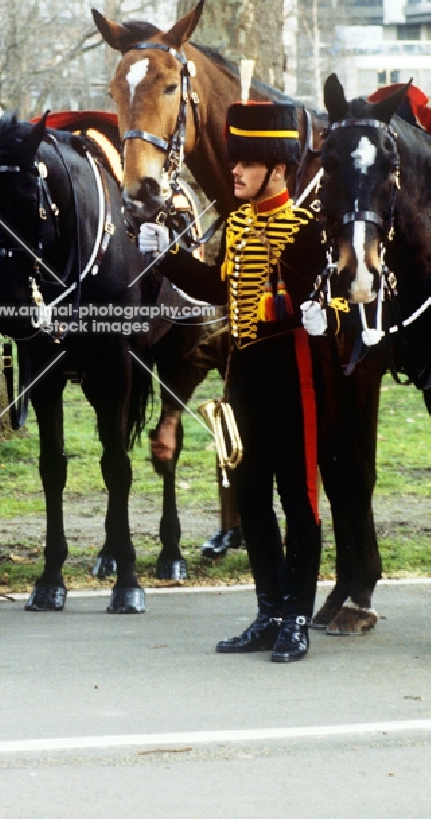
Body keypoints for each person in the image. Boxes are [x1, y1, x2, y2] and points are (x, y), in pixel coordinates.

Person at [139, 100, 324, 662]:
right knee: (249, 495)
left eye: (247, 163)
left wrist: (312, 312)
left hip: (291, 374)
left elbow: (322, 300)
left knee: (297, 498)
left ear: (278, 168)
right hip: (243, 376)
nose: (236, 171)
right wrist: (166, 256)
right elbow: (219, 287)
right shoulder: (238, 224)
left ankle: (298, 617)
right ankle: (268, 612)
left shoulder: (305, 228)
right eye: (235, 161)